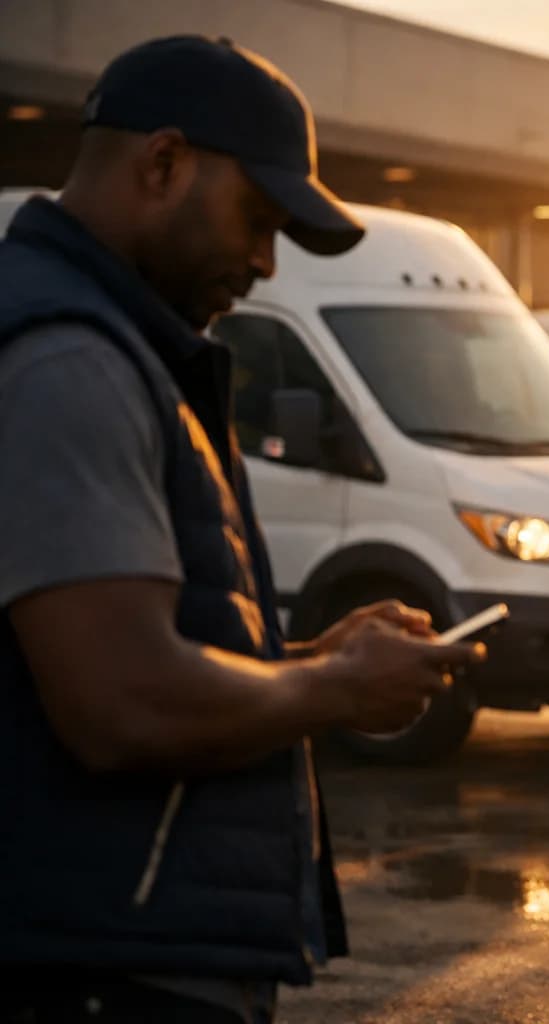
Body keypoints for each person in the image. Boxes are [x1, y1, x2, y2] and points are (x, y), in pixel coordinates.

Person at [0, 36, 483, 1023]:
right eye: (259, 220)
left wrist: (304, 655)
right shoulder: (68, 362)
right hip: (98, 968)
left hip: (114, 949)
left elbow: (143, 656)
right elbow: (123, 702)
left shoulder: (119, 349)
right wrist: (332, 685)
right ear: (163, 162)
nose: (264, 265)